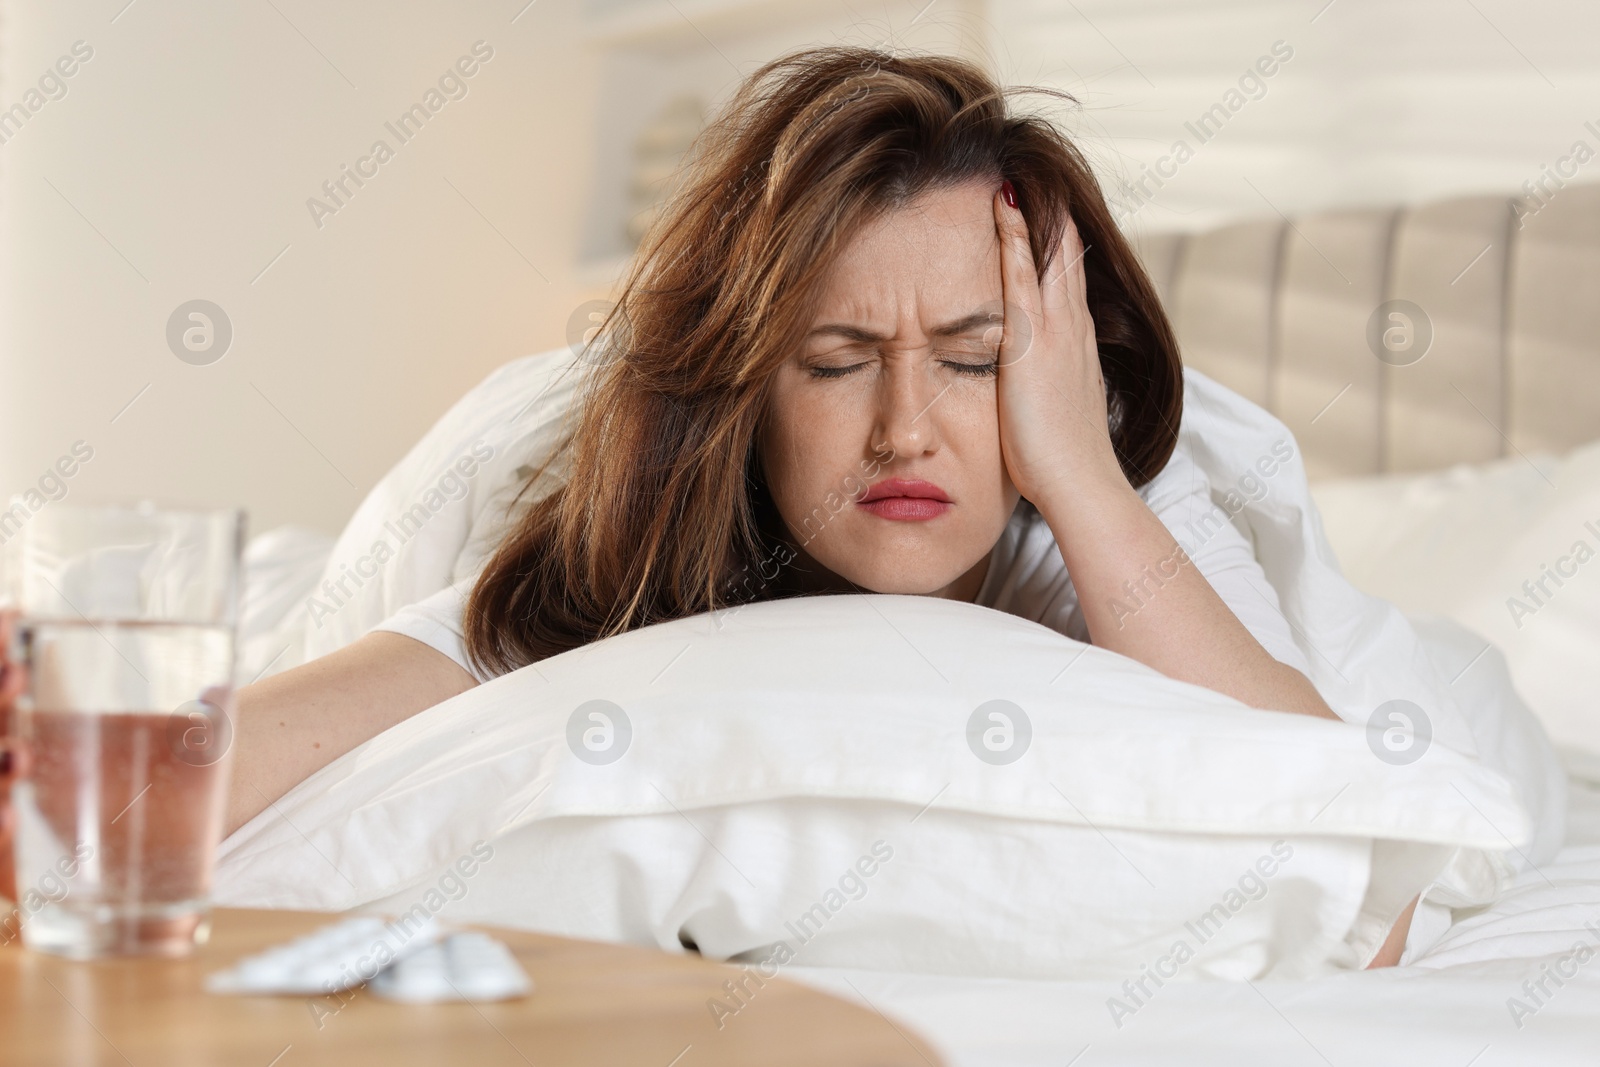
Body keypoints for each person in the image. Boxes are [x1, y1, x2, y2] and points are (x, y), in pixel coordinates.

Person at [0, 45, 1415, 965]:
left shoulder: (1103, 506)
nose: (906, 427)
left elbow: (1368, 865)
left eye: (975, 360)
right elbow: (218, 763)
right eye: (836, 360)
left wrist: (1085, 475)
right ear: (748, 382)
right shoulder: (620, 562)